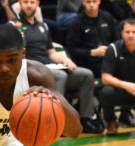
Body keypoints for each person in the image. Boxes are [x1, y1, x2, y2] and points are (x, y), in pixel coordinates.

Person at [17, 0, 102, 133]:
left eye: (32, 2)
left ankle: (86, 119)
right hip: (32, 70)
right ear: (20, 4)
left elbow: (51, 52)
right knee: (60, 76)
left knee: (86, 75)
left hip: (49, 66)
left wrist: (65, 60)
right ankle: (57, 122)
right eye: (26, 2)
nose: (29, 5)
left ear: (38, 4)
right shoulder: (16, 26)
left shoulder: (43, 26)